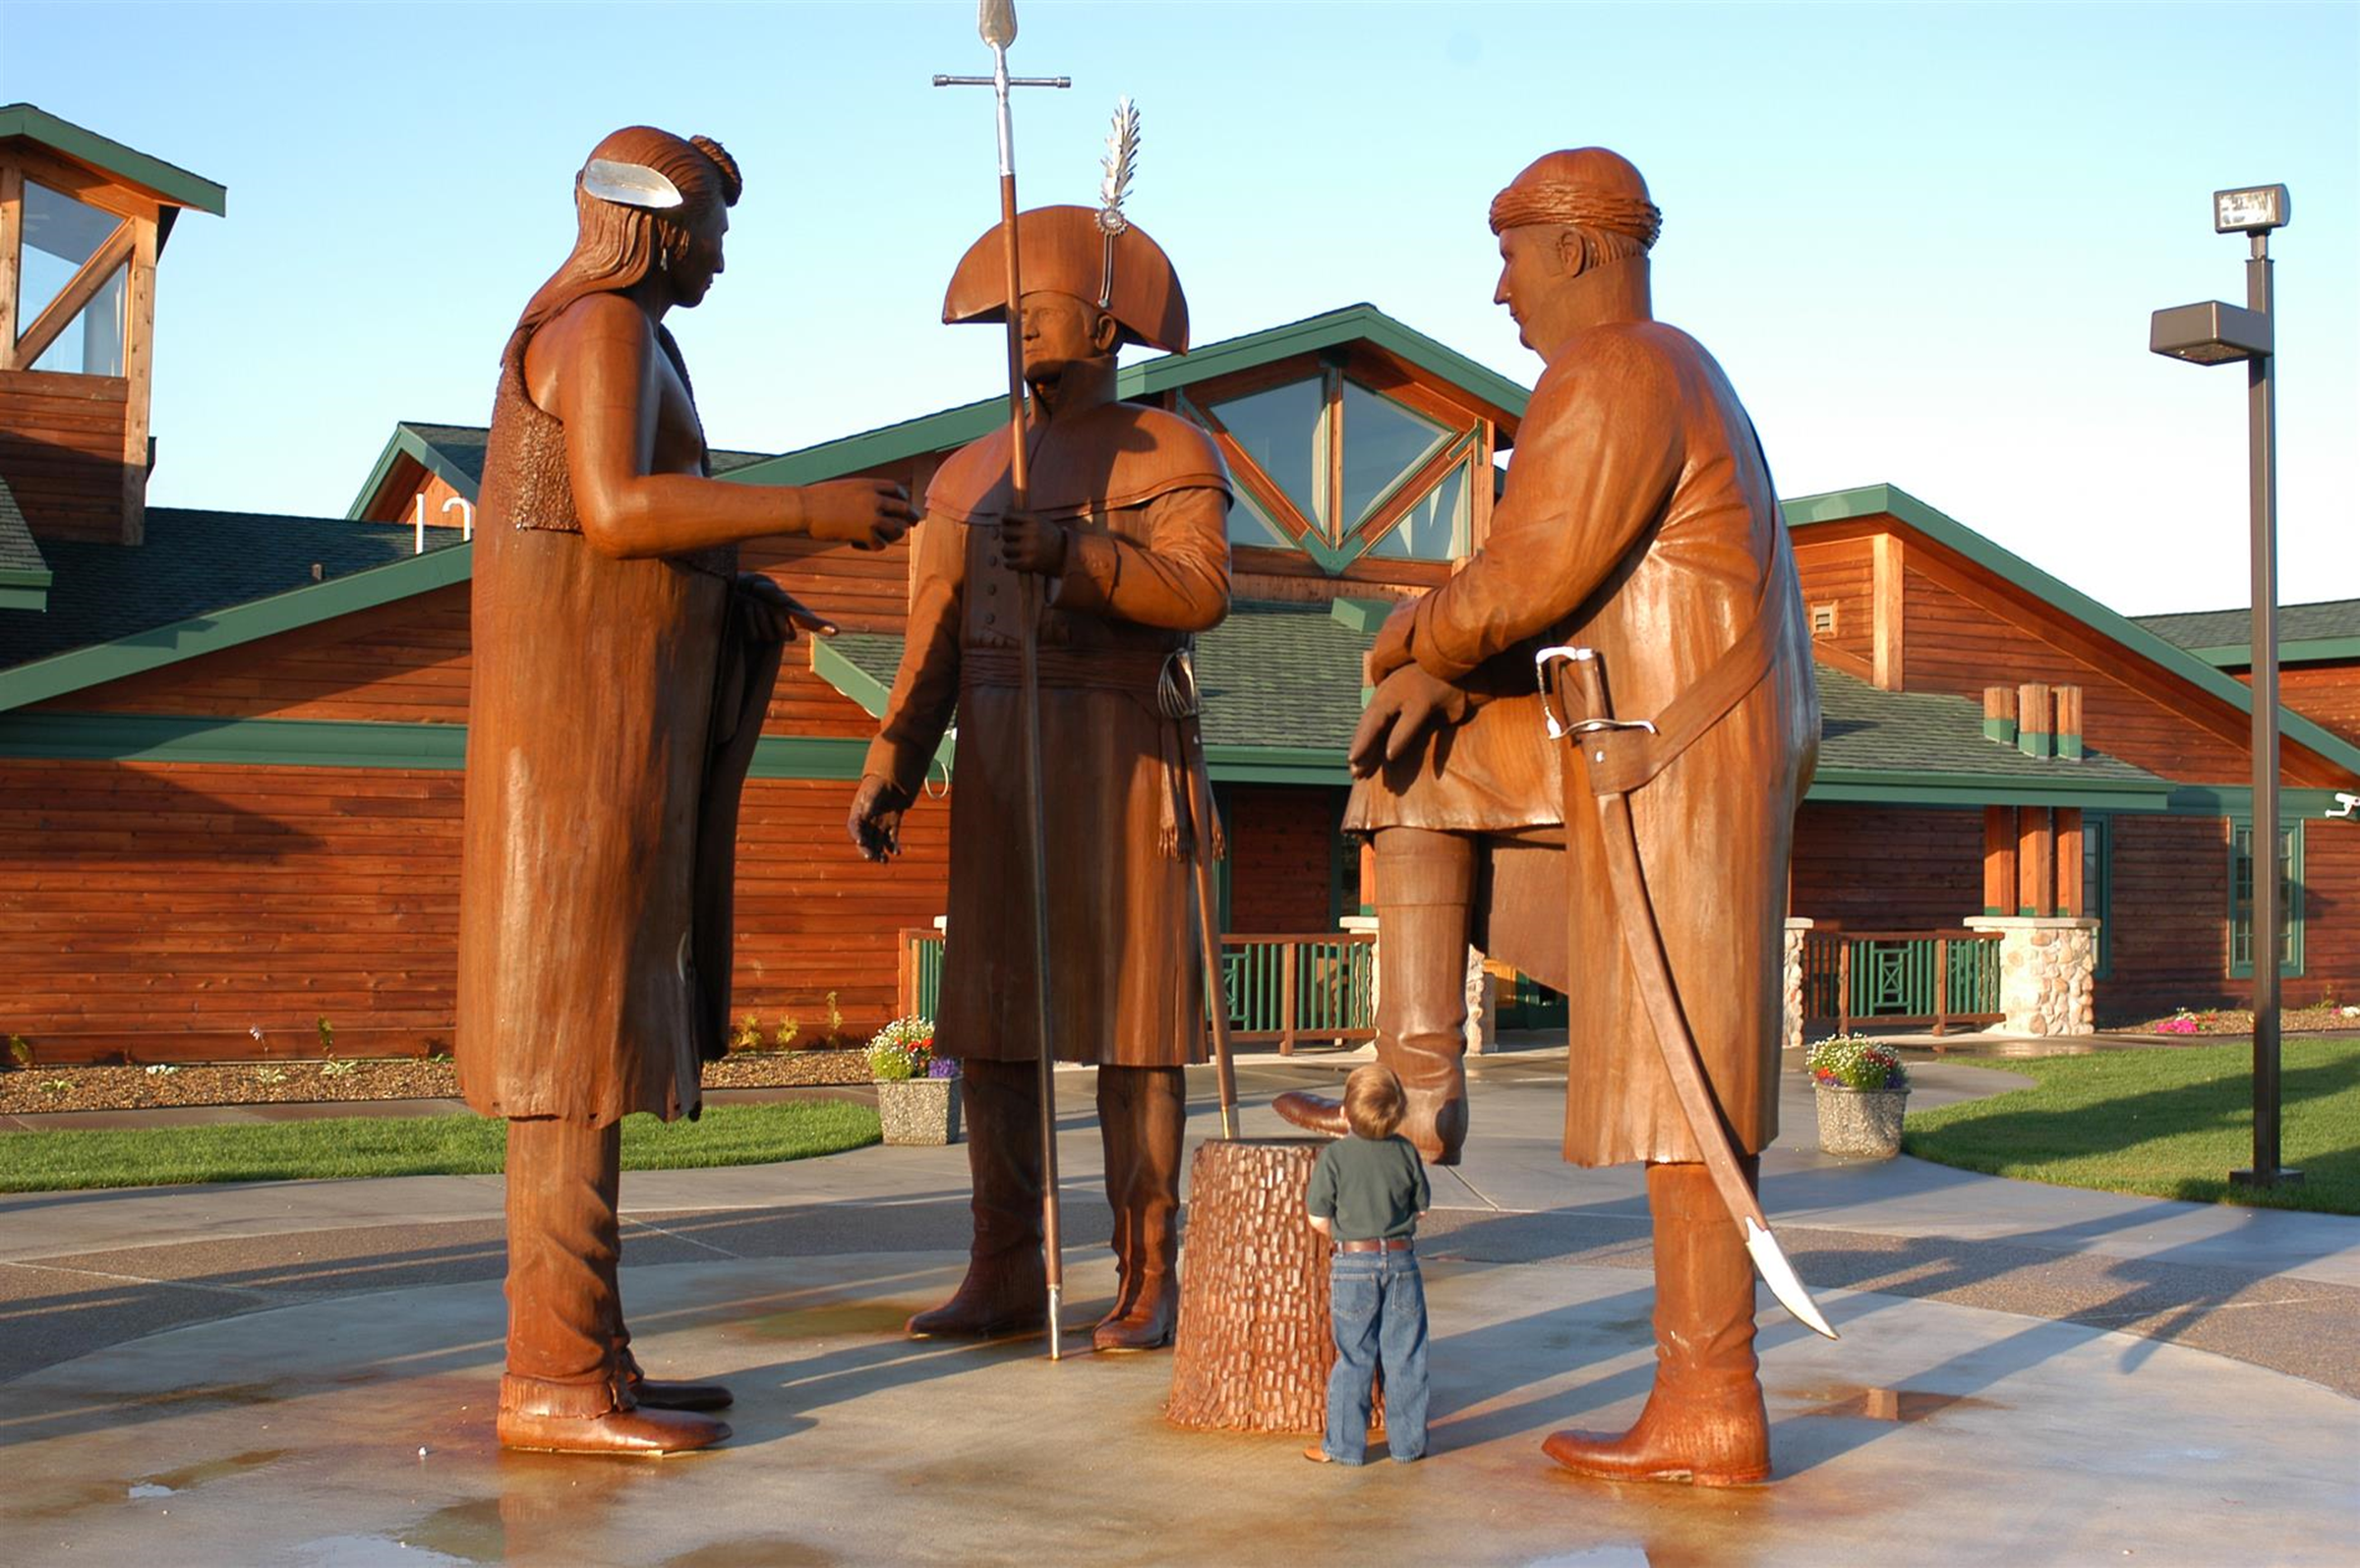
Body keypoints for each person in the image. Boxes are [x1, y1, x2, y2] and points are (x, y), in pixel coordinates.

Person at [1294, 148, 1818, 1484]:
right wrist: (1431, 675)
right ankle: (1414, 1096)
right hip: (1633, 741)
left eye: (1512, 254)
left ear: (1579, 248)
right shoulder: (1670, 374)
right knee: (1413, 765)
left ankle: (1711, 1394)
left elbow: (1534, 571)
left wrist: (1402, 638)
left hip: (1675, 758)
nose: (1498, 289)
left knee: (1686, 1082)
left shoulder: (1621, 368)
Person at [457, 125, 918, 1456]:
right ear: (654, 223)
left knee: (595, 1043)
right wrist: (806, 510)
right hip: (574, 756)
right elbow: (612, 507)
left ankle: (589, 1350)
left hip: (609, 736)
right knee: (570, 1051)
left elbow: (640, 528)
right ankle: (550, 1371)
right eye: (712, 224)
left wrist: (736, 584)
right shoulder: (598, 326)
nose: (722, 250)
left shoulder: (634, 338)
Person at [849, 205, 1230, 1354]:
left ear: (1107, 320)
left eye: (1041, 309)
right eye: (1008, 315)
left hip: (1120, 764)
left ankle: (1148, 1270)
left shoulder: (1169, 453)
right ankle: (1004, 1262)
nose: (1021, 332)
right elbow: (932, 647)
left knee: (1134, 1030)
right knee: (997, 1026)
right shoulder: (966, 478)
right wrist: (892, 764)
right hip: (1005, 771)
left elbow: (1200, 591)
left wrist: (1081, 554)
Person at [1303, 1063, 1432, 1467]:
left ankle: (1343, 1447)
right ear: (1397, 1112)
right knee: (1406, 1355)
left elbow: (1317, 1216)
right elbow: (1422, 1209)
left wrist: (1344, 1233)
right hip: (1401, 1260)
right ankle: (1408, 1445)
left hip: (1353, 1262)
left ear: (1345, 1112)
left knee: (1355, 1356)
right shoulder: (1406, 1151)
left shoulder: (1336, 1156)